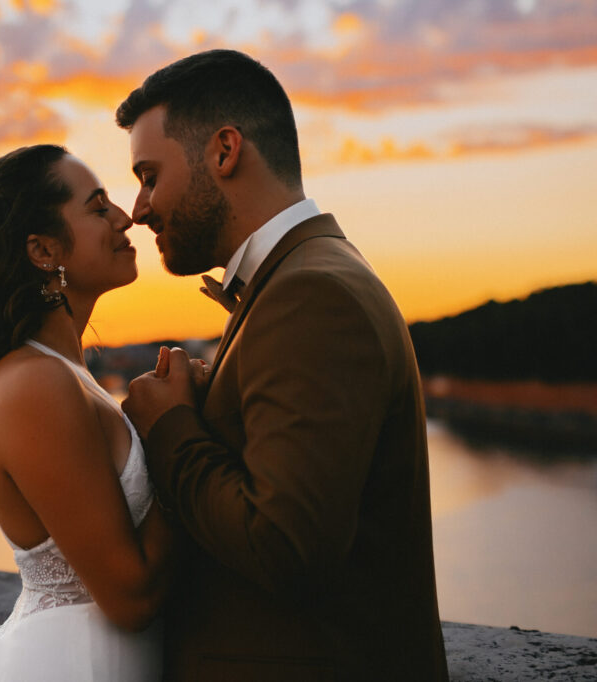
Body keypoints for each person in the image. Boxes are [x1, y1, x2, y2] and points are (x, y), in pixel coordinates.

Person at [117, 50, 449, 680]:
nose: (139, 209)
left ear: (224, 151)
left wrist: (172, 429)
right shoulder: (302, 279)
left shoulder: (309, 295)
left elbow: (285, 547)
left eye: (149, 174)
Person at [0, 144, 174, 681]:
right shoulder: (34, 382)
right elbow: (131, 597)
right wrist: (177, 429)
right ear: (43, 250)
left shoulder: (65, 375)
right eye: (98, 208)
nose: (126, 217)